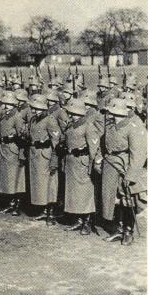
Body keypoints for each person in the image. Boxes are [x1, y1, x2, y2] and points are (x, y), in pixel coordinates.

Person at [100, 98, 147, 245]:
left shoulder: (132, 127)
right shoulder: (110, 126)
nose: (109, 115)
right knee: (112, 199)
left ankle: (128, 230)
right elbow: (103, 145)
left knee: (128, 200)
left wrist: (131, 175)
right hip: (110, 165)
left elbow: (138, 154)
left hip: (125, 166)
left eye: (112, 112)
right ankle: (118, 229)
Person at [63, 99, 100, 235]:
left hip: (82, 162)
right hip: (71, 161)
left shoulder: (88, 126)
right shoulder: (71, 125)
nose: (71, 114)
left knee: (86, 193)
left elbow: (94, 148)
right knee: (74, 192)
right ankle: (78, 220)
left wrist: (91, 166)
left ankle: (87, 222)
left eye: (73, 112)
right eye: (70, 112)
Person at [27, 94, 61, 226]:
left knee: (49, 184)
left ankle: (51, 213)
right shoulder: (34, 119)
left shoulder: (50, 120)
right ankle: (43, 209)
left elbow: (56, 140)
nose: (34, 110)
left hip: (45, 155)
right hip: (35, 154)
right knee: (39, 184)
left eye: (37, 108)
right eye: (33, 107)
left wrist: (54, 158)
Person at [0, 92, 27, 216]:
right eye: (5, 103)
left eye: (8, 104)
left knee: (16, 178)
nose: (5, 106)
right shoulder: (5, 115)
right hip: (4, 148)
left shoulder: (17, 117)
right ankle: (10, 203)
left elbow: (22, 137)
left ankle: (16, 205)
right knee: (7, 178)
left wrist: (21, 153)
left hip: (13, 149)